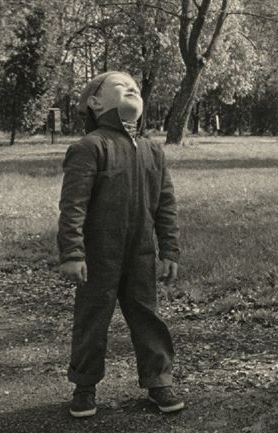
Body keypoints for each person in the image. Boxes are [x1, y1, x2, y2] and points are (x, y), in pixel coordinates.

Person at [58, 71, 184, 418]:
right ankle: (84, 385)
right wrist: (72, 253)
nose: (131, 88)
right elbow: (73, 206)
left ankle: (159, 380)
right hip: (99, 255)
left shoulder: (153, 150)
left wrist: (169, 249)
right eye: (120, 85)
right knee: (92, 318)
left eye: (136, 87)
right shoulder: (89, 147)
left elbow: (166, 204)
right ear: (95, 103)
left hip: (141, 253)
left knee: (148, 317)